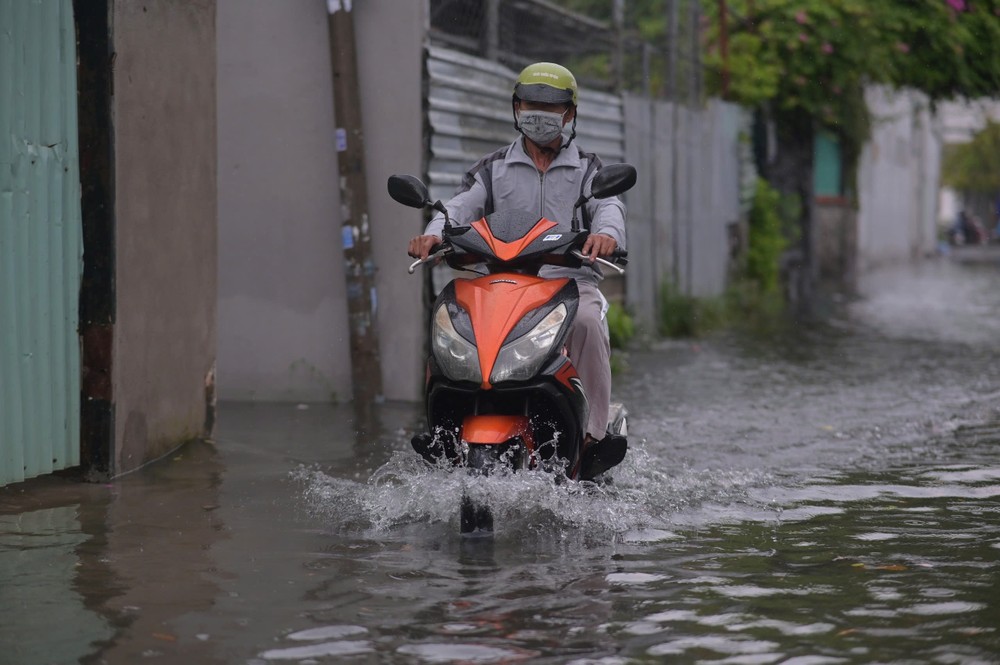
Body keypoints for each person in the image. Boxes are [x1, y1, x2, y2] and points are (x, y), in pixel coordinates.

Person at [407, 61, 626, 454]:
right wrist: (433, 234)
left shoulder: (589, 168)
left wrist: (607, 235)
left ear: (570, 113)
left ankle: (594, 434)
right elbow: (459, 206)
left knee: (589, 323)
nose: (538, 114)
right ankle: (444, 428)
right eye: (529, 104)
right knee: (451, 319)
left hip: (569, 281)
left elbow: (609, 207)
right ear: (516, 108)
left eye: (551, 106)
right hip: (500, 278)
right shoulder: (492, 169)